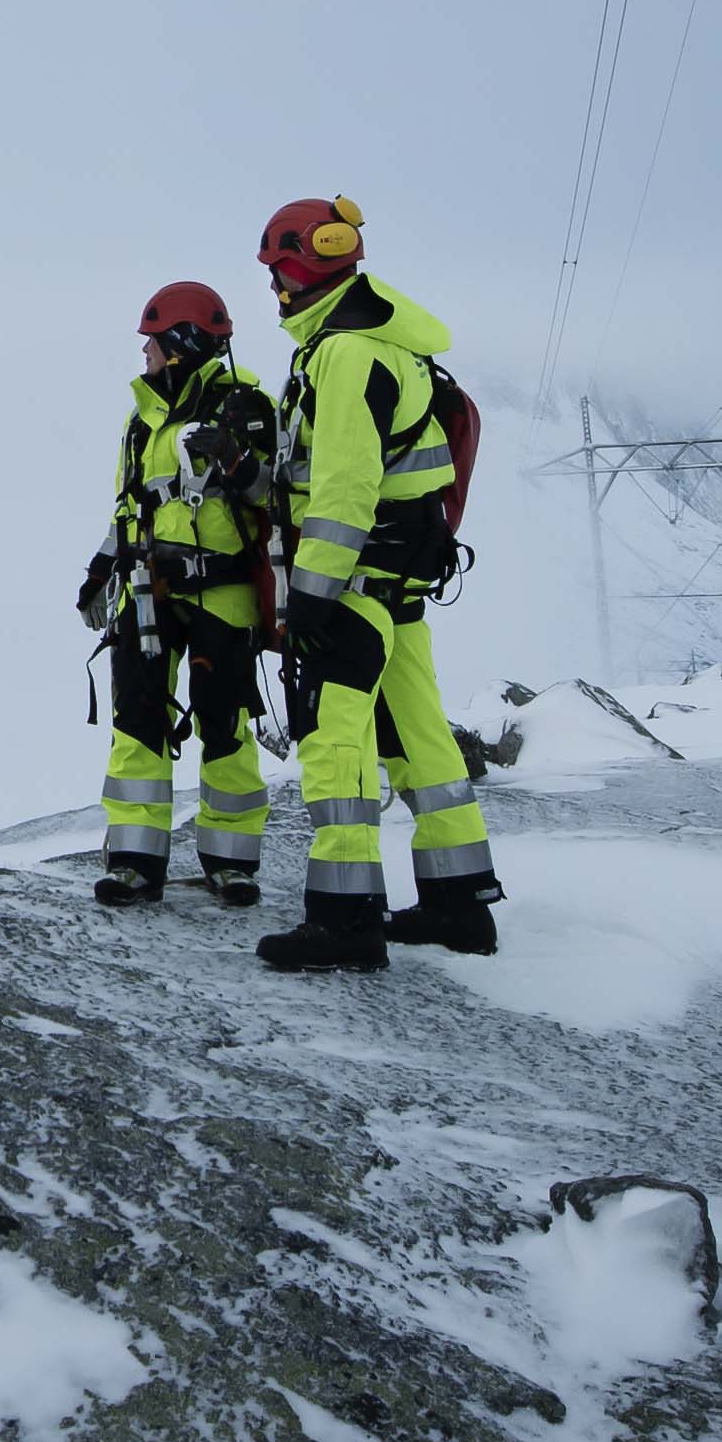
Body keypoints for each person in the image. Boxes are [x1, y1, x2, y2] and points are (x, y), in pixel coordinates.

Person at [248, 196, 500, 973]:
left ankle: (345, 918)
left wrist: (313, 596)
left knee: (337, 743)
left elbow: (347, 486)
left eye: (275, 274)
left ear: (299, 269)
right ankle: (460, 906)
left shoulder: (347, 354)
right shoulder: (384, 343)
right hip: (396, 580)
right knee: (420, 738)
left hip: (355, 583)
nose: (273, 290)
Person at [81, 282, 280, 911]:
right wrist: (101, 567)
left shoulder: (249, 407)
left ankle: (232, 864)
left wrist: (237, 462)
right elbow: (129, 504)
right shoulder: (139, 421)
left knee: (225, 725)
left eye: (155, 338)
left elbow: (280, 498)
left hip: (222, 593)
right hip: (146, 589)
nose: (145, 349)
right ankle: (136, 862)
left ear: (184, 342)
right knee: (137, 723)